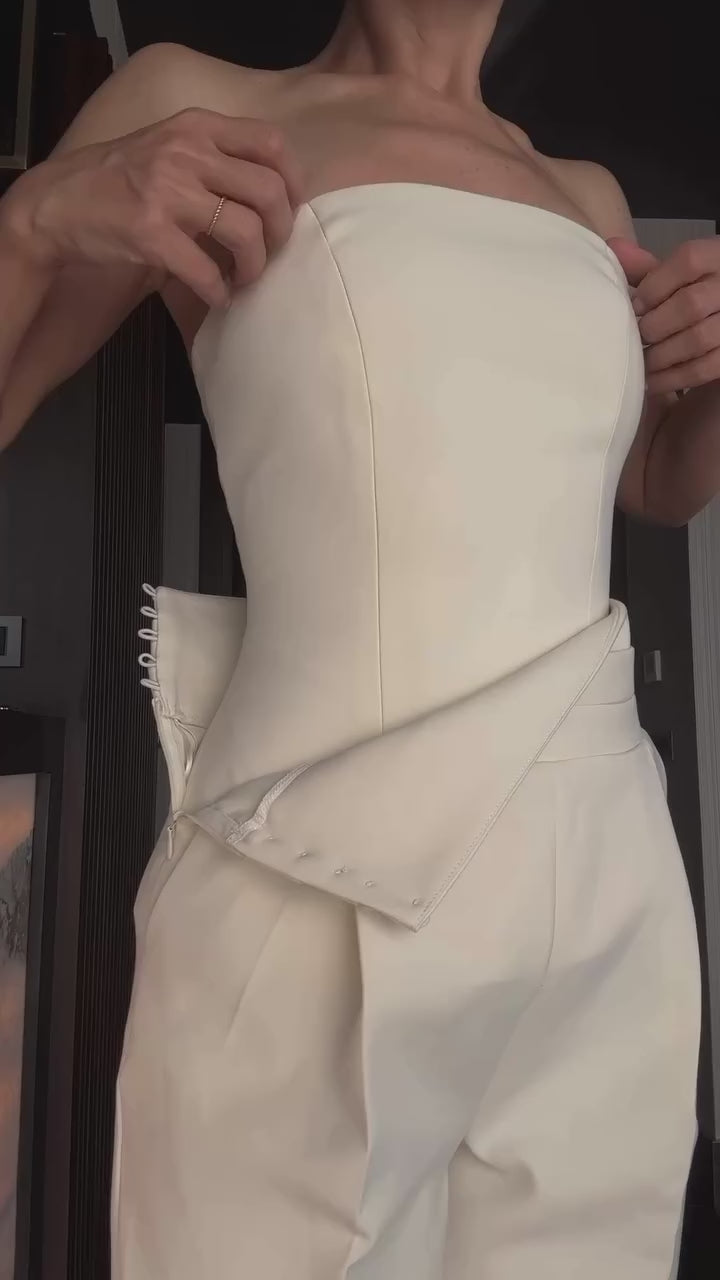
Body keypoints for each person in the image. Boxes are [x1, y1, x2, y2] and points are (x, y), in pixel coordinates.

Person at [0, 1, 710, 1276]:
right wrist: (35, 220)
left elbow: (646, 482)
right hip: (316, 865)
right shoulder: (191, 99)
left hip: (603, 878)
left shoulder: (584, 188)